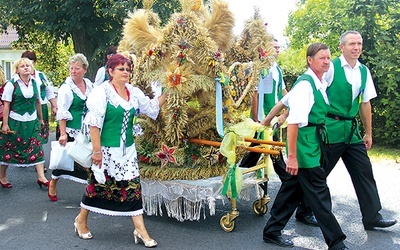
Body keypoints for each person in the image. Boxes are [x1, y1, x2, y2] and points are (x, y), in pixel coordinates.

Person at [74, 54, 166, 247]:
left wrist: (172, 89)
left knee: (133, 187)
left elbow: (151, 108)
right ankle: (81, 220)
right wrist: (97, 152)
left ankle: (140, 230)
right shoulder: (102, 92)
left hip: (128, 151)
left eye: (127, 69)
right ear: (110, 71)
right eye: (121, 68)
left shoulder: (133, 92)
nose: (125, 72)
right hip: (106, 150)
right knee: (96, 187)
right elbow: (94, 124)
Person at [261, 43, 347, 249]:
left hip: (313, 142)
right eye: (322, 58)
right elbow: (293, 124)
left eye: (328, 58)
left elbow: (283, 102)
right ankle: (336, 242)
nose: (327, 61)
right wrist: (292, 157)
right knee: (319, 193)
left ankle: (272, 231)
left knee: (293, 188)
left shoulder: (316, 82)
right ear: (310, 60)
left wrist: (267, 121)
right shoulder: (305, 86)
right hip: (304, 147)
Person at [324, 30, 397, 230]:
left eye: (359, 44)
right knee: (319, 173)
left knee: (364, 170)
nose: (356, 48)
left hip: (352, 131)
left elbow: (365, 104)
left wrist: (368, 133)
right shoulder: (331, 68)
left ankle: (372, 216)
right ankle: (305, 210)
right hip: (330, 129)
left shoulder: (364, 71)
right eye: (351, 44)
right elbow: (316, 96)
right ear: (342, 47)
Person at [246, 39, 317, 227]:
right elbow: (254, 94)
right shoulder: (260, 68)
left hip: (274, 121)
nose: (278, 50)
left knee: (258, 156)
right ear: (265, 48)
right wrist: (257, 119)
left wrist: (285, 113)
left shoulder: (276, 68)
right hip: (264, 120)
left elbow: (285, 92)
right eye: (274, 46)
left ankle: (249, 183)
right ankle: (287, 186)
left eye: (279, 47)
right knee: (268, 157)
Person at [47, 53, 94, 201]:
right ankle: (53, 183)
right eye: (71, 68)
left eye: (77, 68)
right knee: (65, 161)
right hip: (70, 130)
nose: (73, 71)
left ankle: (89, 190)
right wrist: (62, 134)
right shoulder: (66, 88)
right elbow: (62, 112)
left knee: (87, 160)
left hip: (86, 130)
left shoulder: (90, 85)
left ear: (84, 70)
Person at [0, 58, 49, 188]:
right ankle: (2, 176)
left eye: (28, 65)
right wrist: (5, 124)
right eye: (22, 66)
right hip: (15, 121)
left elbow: (37, 101)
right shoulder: (12, 84)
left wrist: (41, 119)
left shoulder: (34, 83)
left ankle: (41, 176)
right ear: (17, 70)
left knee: (37, 146)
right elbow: (6, 105)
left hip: (32, 120)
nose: (26, 68)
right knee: (9, 148)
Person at [21, 51, 58, 172]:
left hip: (41, 107)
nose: (26, 66)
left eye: (29, 62)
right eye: (24, 62)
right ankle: (27, 158)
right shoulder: (18, 77)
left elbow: (48, 91)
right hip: (27, 109)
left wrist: (54, 105)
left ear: (34, 63)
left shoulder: (41, 75)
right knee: (27, 134)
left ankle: (38, 161)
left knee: (39, 135)